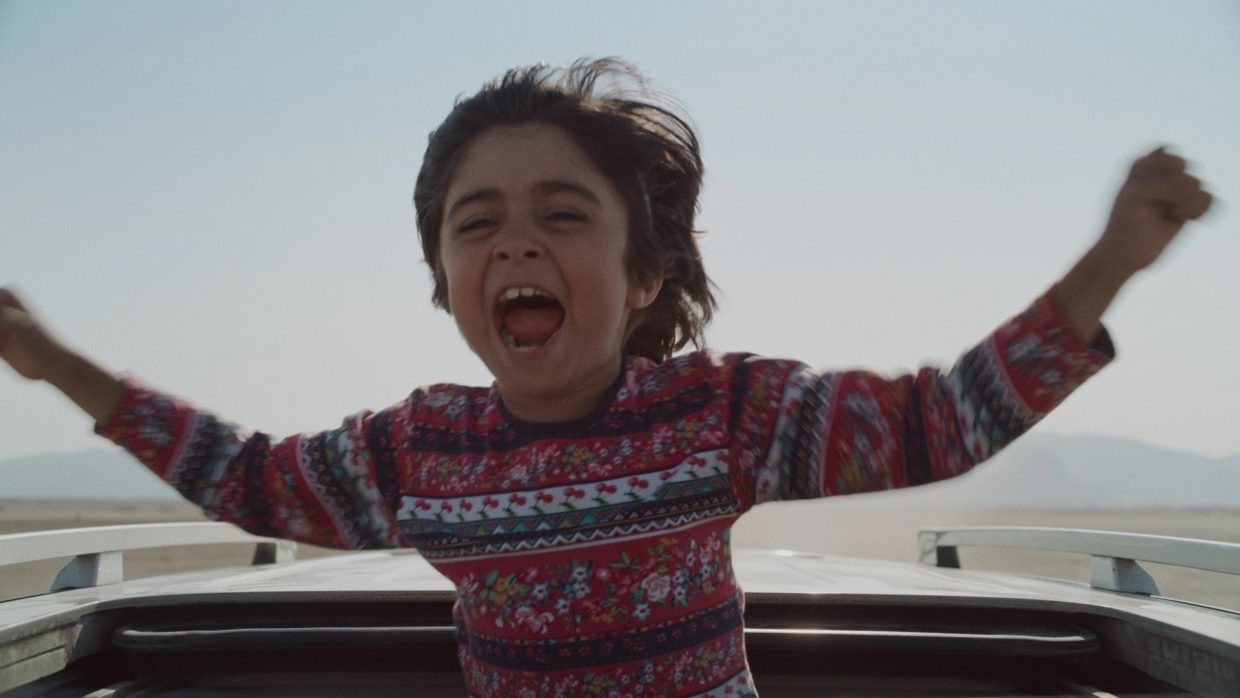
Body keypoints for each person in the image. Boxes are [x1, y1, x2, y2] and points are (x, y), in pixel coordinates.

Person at [0, 58, 1213, 697]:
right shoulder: (419, 451)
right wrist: (57, 363)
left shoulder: (719, 412)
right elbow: (247, 479)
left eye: (561, 213)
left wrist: (1108, 264)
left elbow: (937, 422)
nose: (516, 243)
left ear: (643, 277)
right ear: (443, 280)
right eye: (477, 223)